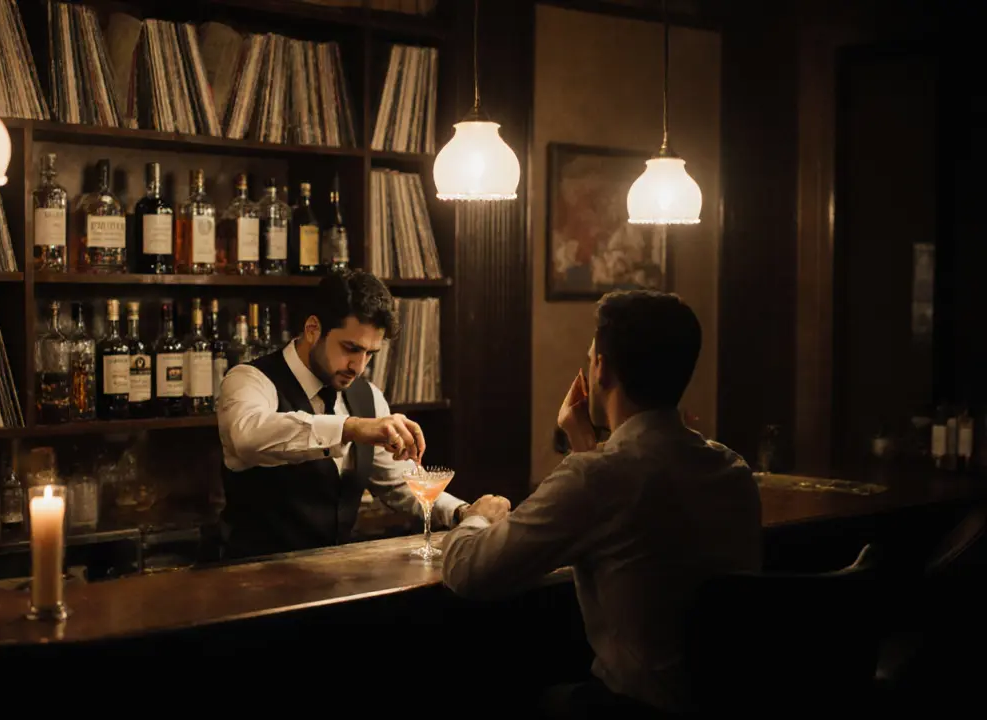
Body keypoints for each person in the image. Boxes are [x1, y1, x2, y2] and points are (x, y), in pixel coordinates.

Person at [441, 290, 762, 717]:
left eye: (593, 356)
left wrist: (476, 517)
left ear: (602, 369)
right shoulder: (731, 469)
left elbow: (469, 572)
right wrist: (583, 445)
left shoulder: (598, 477)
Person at [216, 270, 508, 560]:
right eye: (350, 348)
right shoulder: (248, 380)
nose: (358, 366)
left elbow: (397, 482)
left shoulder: (367, 396)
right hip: (252, 579)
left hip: (334, 579)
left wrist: (462, 512)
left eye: (370, 353)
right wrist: (351, 428)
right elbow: (248, 438)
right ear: (313, 329)